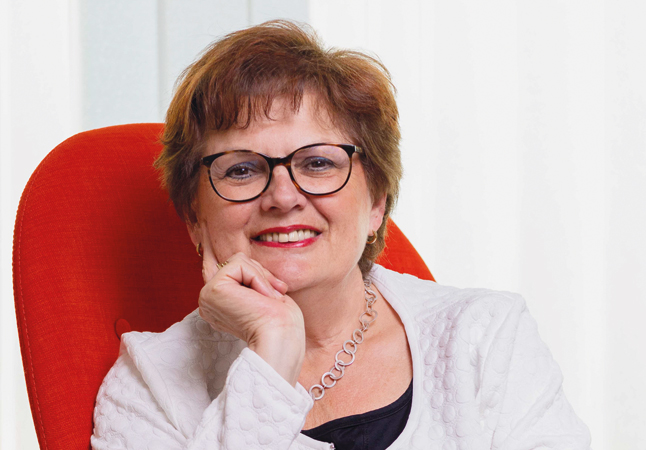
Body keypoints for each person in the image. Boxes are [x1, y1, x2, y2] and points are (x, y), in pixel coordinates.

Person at [90, 20, 591, 450]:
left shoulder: (488, 338)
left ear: (376, 203)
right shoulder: (149, 384)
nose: (283, 196)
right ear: (194, 219)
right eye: (241, 169)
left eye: (317, 163)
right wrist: (272, 350)